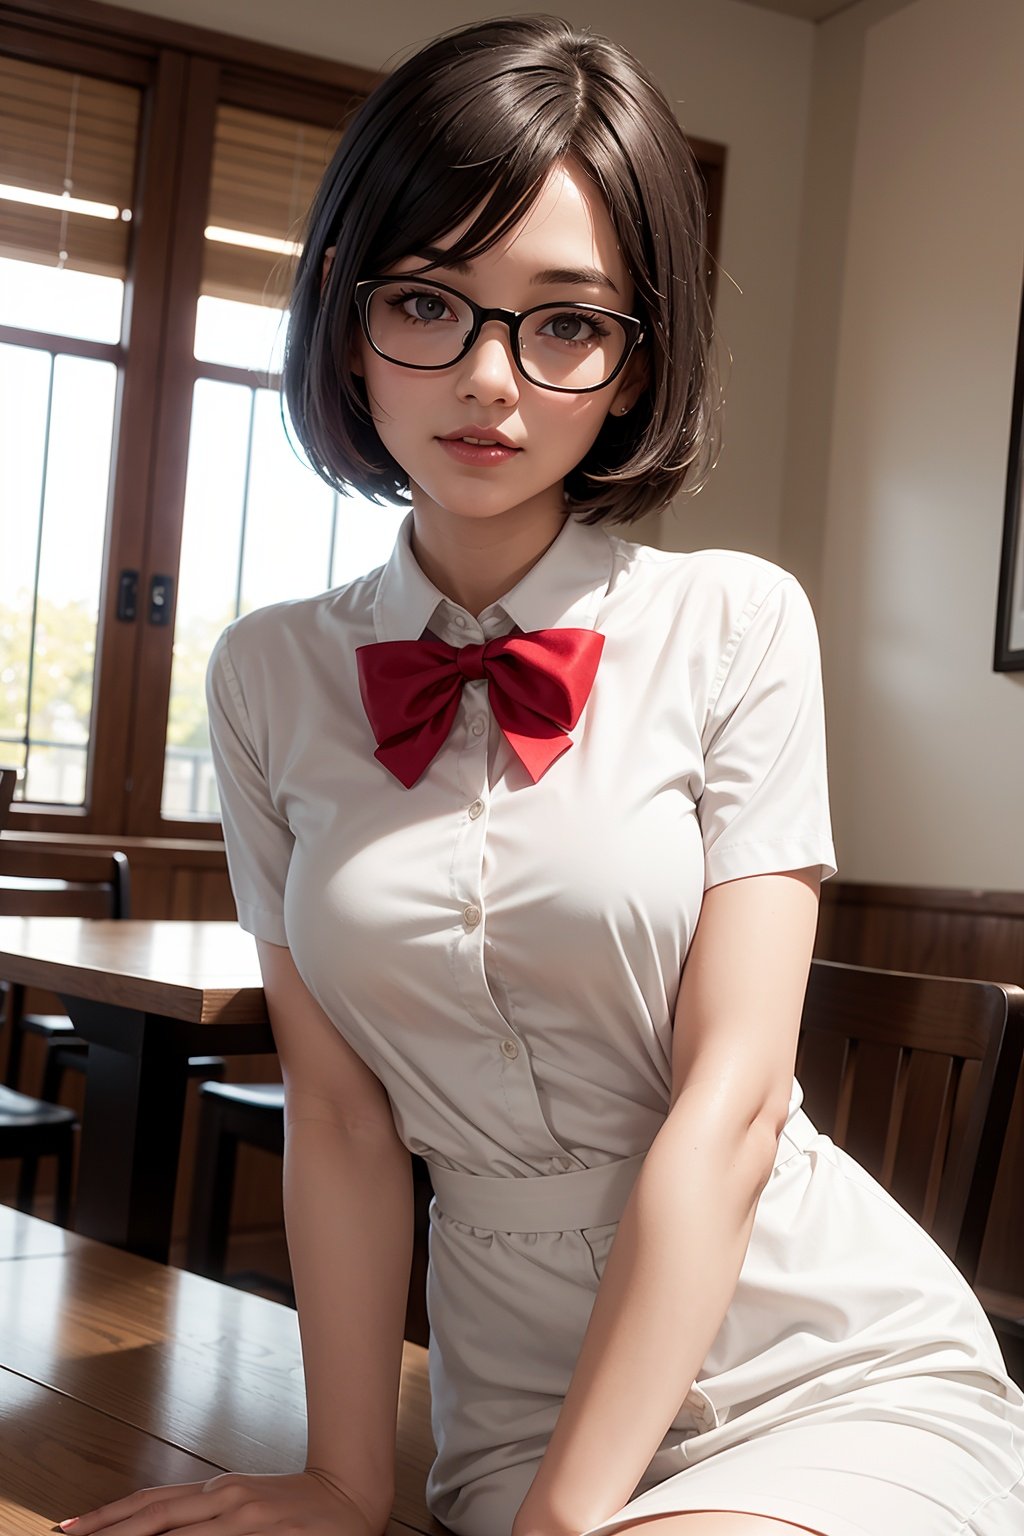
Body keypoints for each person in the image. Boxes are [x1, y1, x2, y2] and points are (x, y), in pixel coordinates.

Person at [62, 15, 1024, 1536]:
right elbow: (341, 1111)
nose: (490, 379)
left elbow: (738, 1099)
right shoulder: (265, 676)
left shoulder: (737, 623)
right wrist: (343, 1479)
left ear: (639, 359)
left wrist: (566, 1526)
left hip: (828, 1367)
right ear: (346, 317)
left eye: (565, 321)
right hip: (506, 1401)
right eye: (430, 302)